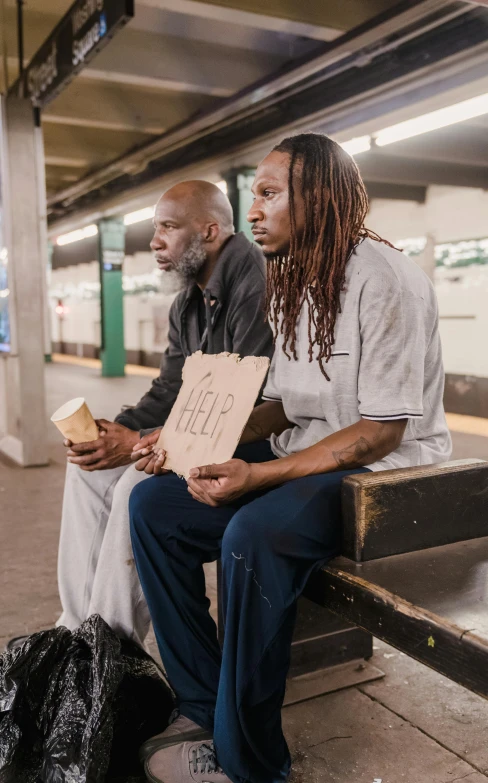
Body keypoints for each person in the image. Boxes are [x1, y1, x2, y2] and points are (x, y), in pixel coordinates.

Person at [128, 133, 452, 783]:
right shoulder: (291, 279)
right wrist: (195, 437)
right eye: (254, 196)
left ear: (321, 200)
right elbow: (279, 403)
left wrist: (259, 473)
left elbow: (382, 431)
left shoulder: (387, 280)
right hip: (315, 450)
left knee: (255, 532)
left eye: (270, 195)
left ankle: (252, 761)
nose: (254, 212)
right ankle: (199, 706)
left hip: (386, 474)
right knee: (155, 506)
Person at [6, 180, 273, 652]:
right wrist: (120, 428)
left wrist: (138, 443)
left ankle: (111, 650)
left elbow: (247, 402)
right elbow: (172, 388)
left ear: (210, 231)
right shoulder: (186, 302)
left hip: (252, 442)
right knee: (89, 471)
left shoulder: (256, 282)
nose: (154, 241)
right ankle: (75, 629)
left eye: (168, 227)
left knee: (137, 484)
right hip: (204, 432)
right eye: (155, 228)